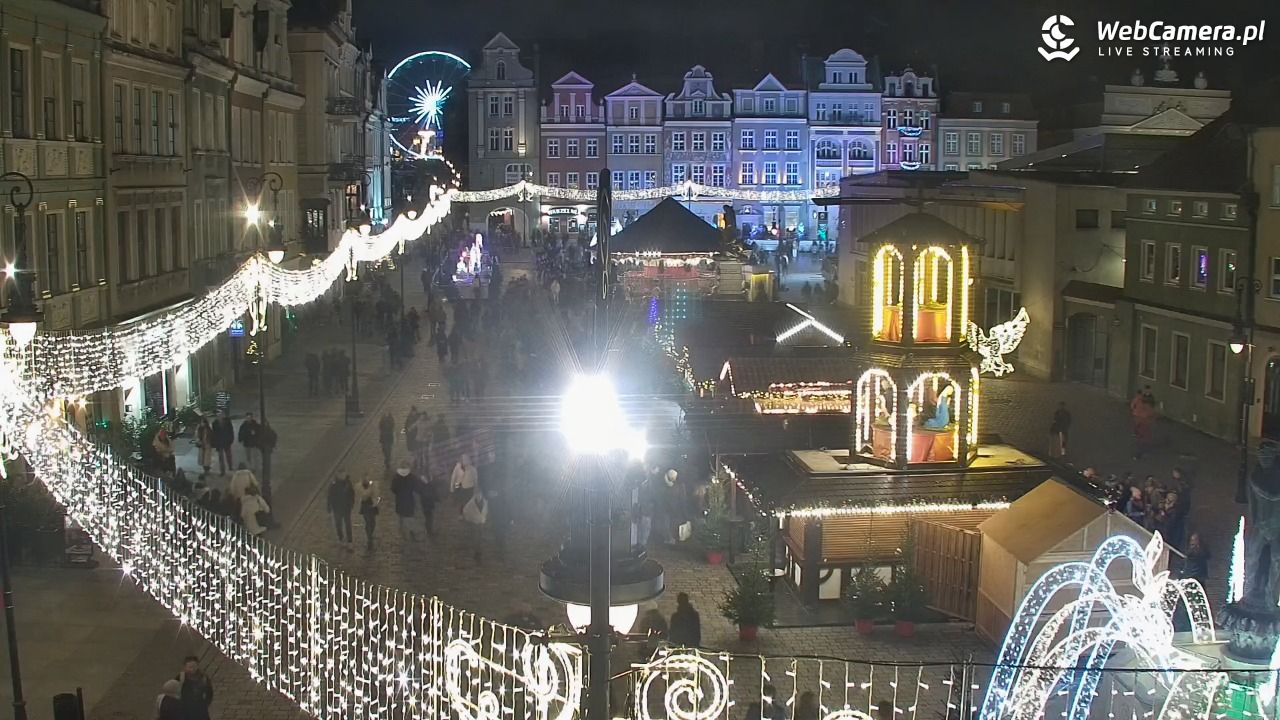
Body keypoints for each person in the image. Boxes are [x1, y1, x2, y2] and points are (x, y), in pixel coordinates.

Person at [176, 656, 214, 720]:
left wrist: (205, 704)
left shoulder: (203, 677)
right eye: (190, 667)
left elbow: (209, 692)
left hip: (200, 710)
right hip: (185, 710)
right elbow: (173, 691)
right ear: (185, 667)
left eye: (194, 666)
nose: (192, 669)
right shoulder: (180, 677)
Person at [390, 461, 419, 542]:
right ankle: (411, 532)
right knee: (410, 517)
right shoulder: (411, 477)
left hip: (400, 500)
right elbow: (416, 487)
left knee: (401, 517)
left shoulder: (396, 477)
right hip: (409, 500)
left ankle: (403, 534)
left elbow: (393, 489)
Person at [327, 471, 355, 550]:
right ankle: (341, 538)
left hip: (346, 508)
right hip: (337, 508)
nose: (342, 476)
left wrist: (351, 503)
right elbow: (330, 497)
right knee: (338, 524)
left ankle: (350, 541)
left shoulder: (348, 483)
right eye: (341, 474)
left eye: (343, 474)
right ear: (338, 475)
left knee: (348, 525)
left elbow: (352, 493)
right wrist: (329, 509)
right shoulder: (333, 484)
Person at [461, 490, 488, 565]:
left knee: (480, 536)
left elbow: (486, 511)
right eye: (477, 494)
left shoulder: (485, 502)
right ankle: (477, 551)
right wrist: (470, 519)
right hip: (475, 523)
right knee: (476, 537)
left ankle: (479, 550)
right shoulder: (471, 503)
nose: (479, 496)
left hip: (481, 522)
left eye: (480, 494)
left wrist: (484, 518)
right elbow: (465, 511)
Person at [357, 475, 381, 552]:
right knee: (368, 522)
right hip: (365, 507)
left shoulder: (372, 485)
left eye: (367, 478)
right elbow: (364, 496)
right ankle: (369, 538)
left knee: (373, 522)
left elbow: (376, 494)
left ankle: (370, 535)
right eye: (365, 479)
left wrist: (374, 490)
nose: (366, 480)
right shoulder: (359, 486)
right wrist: (371, 489)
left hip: (372, 506)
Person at [417, 470, 439, 538]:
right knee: (429, 518)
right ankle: (429, 531)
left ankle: (429, 530)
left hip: (426, 504)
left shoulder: (422, 485)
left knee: (428, 518)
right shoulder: (429, 485)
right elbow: (433, 494)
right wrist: (436, 499)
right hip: (427, 505)